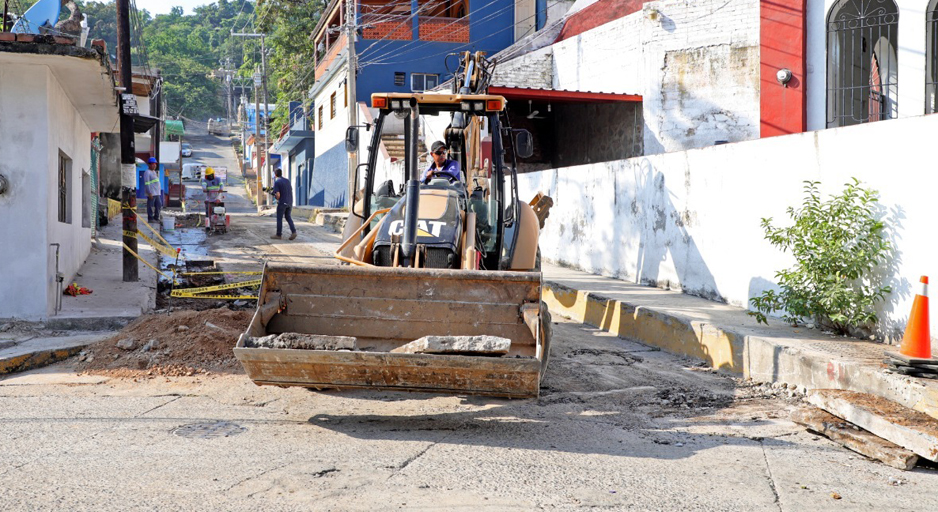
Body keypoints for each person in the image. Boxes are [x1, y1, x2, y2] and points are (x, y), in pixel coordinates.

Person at [270, 168, 297, 240]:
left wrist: (275, 196)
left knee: (279, 218)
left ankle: (278, 235)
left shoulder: (277, 182)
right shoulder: (287, 181)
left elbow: (278, 195)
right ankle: (294, 231)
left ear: (275, 174)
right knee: (288, 217)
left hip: (282, 202)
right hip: (290, 202)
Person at [143, 157, 162, 223]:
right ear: (149, 165)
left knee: (159, 205)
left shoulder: (154, 172)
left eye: (155, 164)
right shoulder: (147, 172)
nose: (155, 165)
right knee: (150, 206)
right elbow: (147, 183)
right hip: (152, 193)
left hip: (157, 193)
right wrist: (149, 193)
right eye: (153, 164)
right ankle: (150, 218)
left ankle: (156, 218)